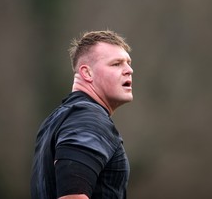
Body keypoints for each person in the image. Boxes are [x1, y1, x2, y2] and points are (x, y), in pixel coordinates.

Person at [30, 30, 134, 199]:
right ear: (87, 73)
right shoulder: (87, 119)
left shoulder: (60, 118)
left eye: (128, 63)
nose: (129, 70)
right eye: (116, 64)